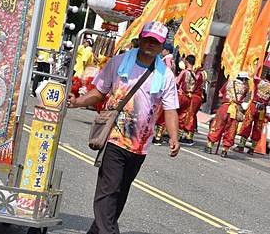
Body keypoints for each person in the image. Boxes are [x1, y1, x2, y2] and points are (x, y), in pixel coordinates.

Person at [67, 21, 180, 234]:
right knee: (109, 189)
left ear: (162, 45)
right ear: (140, 38)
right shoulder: (118, 62)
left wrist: (174, 137)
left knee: (120, 193)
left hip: (139, 145)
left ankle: (97, 231)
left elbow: (171, 108)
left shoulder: (165, 75)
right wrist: (78, 102)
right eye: (147, 39)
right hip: (114, 138)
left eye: (155, 42)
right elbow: (99, 91)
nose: (150, 44)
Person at [205, 72, 249, 157]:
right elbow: (242, 99)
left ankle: (210, 146)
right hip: (235, 110)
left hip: (225, 107)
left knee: (217, 126)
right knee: (231, 130)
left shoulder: (228, 83)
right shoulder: (245, 88)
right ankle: (224, 150)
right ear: (243, 79)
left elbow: (220, 94)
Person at [175, 55, 206, 146]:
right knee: (188, 115)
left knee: (182, 114)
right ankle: (185, 135)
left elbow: (177, 83)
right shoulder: (200, 74)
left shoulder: (187, 72)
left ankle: (182, 135)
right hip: (194, 97)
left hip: (186, 96)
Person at [236, 74, 270, 154]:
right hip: (262, 109)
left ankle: (241, 146)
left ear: (266, 76)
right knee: (258, 127)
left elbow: (254, 76)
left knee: (247, 124)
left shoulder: (259, 82)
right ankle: (252, 149)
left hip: (253, 106)